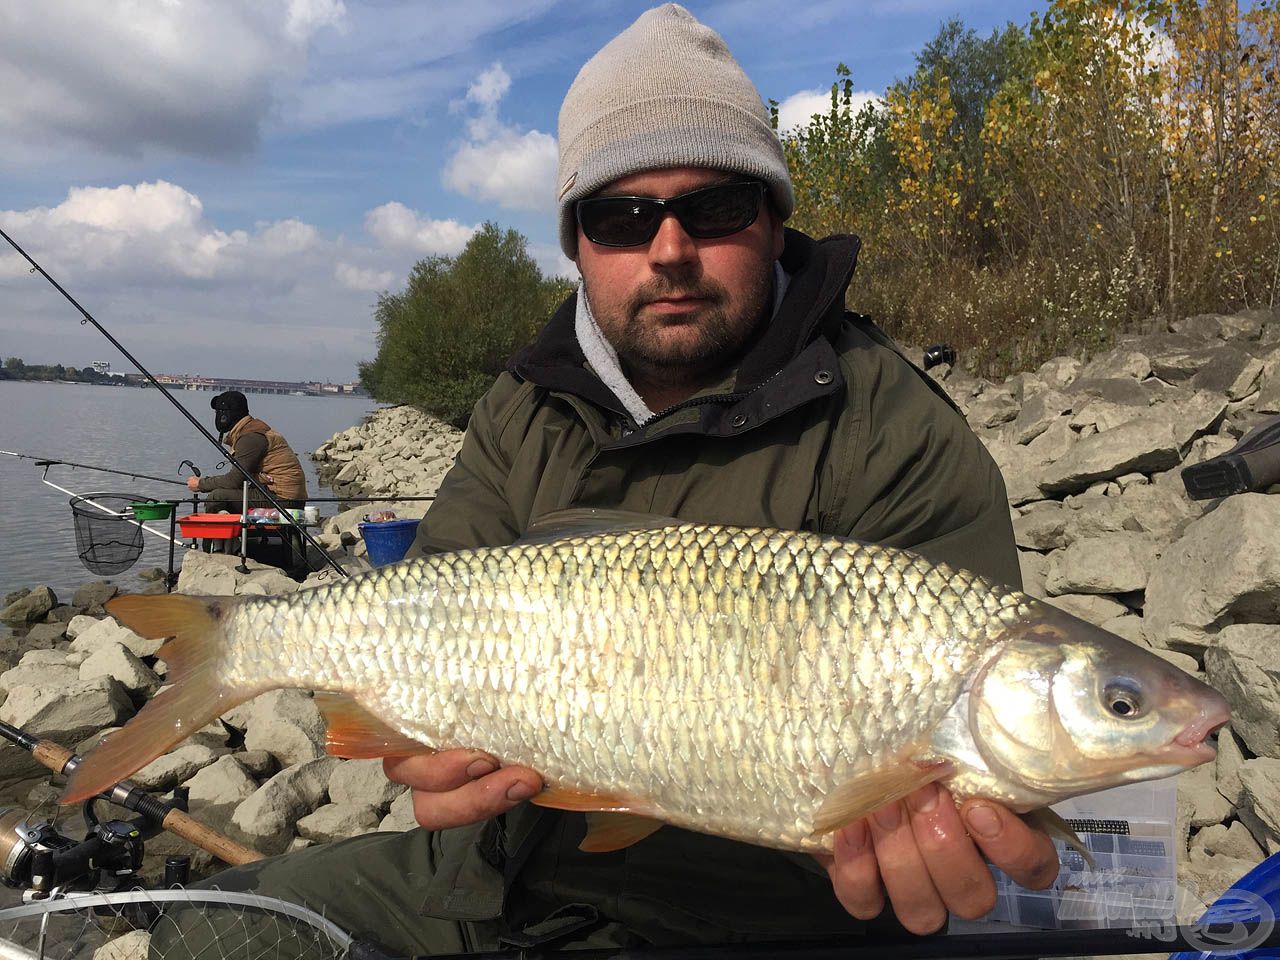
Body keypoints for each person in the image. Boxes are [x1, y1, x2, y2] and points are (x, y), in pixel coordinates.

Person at [152, 5, 1057, 956]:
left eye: (712, 207)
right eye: (621, 216)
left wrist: (959, 830)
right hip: (505, 868)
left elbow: (976, 765)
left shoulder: (893, 429)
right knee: (212, 930)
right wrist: (425, 756)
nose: (669, 249)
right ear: (576, 243)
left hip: (777, 912)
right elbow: (428, 606)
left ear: (774, 217)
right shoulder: (522, 404)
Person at [186, 390, 308, 511]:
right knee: (228, 492)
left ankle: (217, 529)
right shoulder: (252, 429)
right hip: (282, 494)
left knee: (217, 497)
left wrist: (200, 484)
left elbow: (234, 480)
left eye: (217, 412)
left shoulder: (250, 437)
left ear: (224, 416)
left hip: (284, 499)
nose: (216, 415)